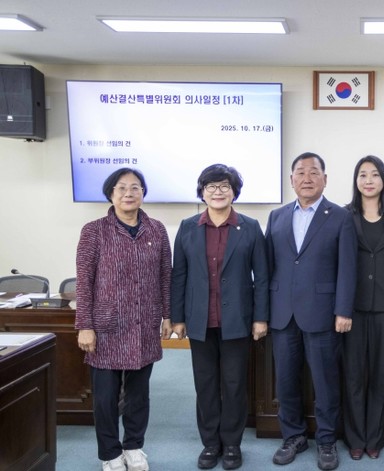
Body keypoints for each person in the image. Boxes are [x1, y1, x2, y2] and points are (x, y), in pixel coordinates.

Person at [170, 164, 269, 470]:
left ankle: (232, 444)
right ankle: (211, 444)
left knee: (235, 384)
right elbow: (179, 275)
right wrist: (177, 318)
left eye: (224, 186)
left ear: (234, 192)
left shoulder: (250, 227)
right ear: (202, 192)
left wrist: (260, 318)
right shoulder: (188, 227)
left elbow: (262, 276)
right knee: (206, 384)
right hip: (199, 320)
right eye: (211, 186)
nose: (217, 191)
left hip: (237, 320)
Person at [265, 152, 357, 471]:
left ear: (325, 179)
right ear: (291, 179)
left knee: (325, 381)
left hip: (323, 313)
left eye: (314, 172)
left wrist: (343, 310)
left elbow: (348, 268)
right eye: (300, 172)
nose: (307, 178)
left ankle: (326, 440)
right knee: (285, 380)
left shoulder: (341, 216)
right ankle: (293, 436)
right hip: (282, 314)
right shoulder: (276, 216)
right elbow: (268, 266)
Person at [75, 168, 172, 471]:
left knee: (138, 395)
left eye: (135, 187)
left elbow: (165, 276)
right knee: (105, 398)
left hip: (144, 324)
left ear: (143, 193)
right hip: (106, 327)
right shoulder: (94, 230)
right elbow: (84, 281)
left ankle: (133, 446)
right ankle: (110, 453)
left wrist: (168, 315)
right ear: (111, 194)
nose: (129, 193)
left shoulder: (156, 230)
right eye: (121, 188)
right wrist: (85, 325)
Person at [342, 156, 384, 461]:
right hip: (352, 307)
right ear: (356, 181)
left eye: (375, 174)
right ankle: (355, 438)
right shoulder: (344, 215)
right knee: (353, 375)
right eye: (363, 175)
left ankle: (375, 438)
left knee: (381, 374)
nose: (369, 180)